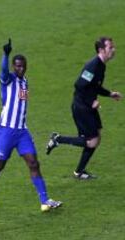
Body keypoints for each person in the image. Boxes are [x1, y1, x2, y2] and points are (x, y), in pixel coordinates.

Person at [0, 39, 62, 212]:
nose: (20, 68)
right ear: (13, 66)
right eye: (17, 66)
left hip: (22, 131)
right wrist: (5, 55)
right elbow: (3, 71)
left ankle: (45, 200)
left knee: (33, 163)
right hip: (7, 131)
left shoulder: (25, 81)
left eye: (23, 66)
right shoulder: (8, 79)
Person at [46, 37, 122, 180]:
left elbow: (94, 86)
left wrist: (110, 94)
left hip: (87, 106)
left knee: (97, 137)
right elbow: (79, 85)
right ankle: (58, 139)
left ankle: (79, 171)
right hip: (81, 107)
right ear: (101, 50)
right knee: (91, 141)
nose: (114, 50)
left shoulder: (101, 65)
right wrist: (91, 100)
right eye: (110, 47)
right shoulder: (93, 65)